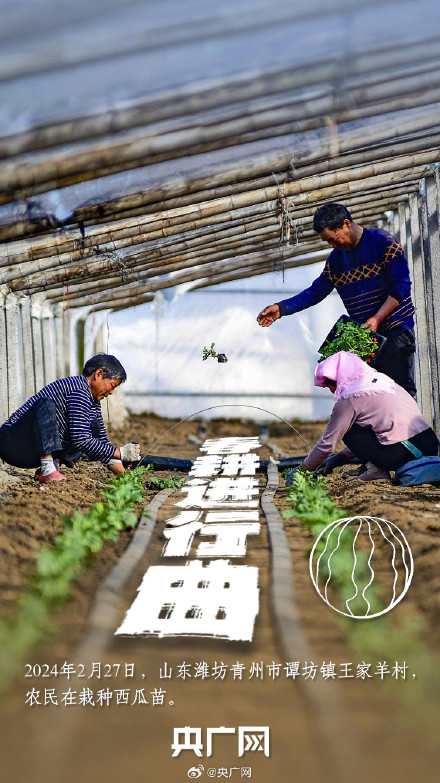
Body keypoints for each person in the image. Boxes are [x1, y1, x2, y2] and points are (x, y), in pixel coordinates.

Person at [257, 202, 417, 396]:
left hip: (395, 333)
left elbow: (401, 288)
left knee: (401, 396)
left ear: (346, 224)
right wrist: (281, 308)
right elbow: (316, 291)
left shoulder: (383, 242)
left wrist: (377, 318)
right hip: (366, 339)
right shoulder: (336, 260)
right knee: (372, 398)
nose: (333, 245)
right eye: (328, 242)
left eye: (334, 239)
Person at [286, 351, 438, 484]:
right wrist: (341, 457)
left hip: (408, 452)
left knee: (347, 427)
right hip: (429, 444)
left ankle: (376, 472)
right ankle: (375, 469)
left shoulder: (350, 397)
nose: (330, 390)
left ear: (337, 379)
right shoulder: (379, 381)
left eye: (329, 385)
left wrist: (302, 469)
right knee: (358, 423)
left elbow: (327, 444)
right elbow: (378, 432)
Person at [0, 354, 140, 483]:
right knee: (46, 405)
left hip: (30, 451)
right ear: (98, 374)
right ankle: (48, 469)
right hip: (11, 444)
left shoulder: (92, 400)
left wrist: (127, 478)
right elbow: (81, 439)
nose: (111, 392)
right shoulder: (78, 389)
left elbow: (101, 440)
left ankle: (50, 465)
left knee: (89, 429)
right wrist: (120, 453)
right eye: (111, 386)